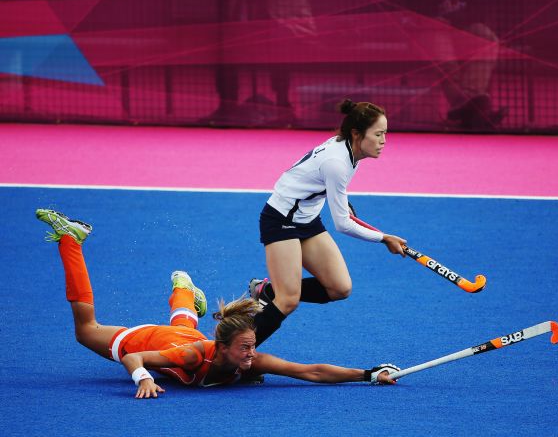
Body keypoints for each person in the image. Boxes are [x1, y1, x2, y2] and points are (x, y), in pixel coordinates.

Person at [36, 208, 400, 399]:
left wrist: (369, 374)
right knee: (85, 330)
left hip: (180, 337)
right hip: (151, 341)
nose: (251, 354)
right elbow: (135, 358)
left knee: (181, 328)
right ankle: (72, 239)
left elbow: (310, 371)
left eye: (252, 346)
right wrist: (143, 378)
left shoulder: (247, 357)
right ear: (221, 347)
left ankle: (185, 294)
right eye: (244, 348)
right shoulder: (195, 356)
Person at [248, 99, 407, 346]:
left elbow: (327, 187)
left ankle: (267, 291)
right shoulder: (337, 162)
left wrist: (343, 202)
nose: (384, 141)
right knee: (288, 300)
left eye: (385, 133)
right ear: (357, 133)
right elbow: (342, 224)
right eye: (378, 134)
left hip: (307, 220)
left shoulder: (349, 150)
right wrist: (384, 238)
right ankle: (234, 356)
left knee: (339, 288)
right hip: (281, 220)